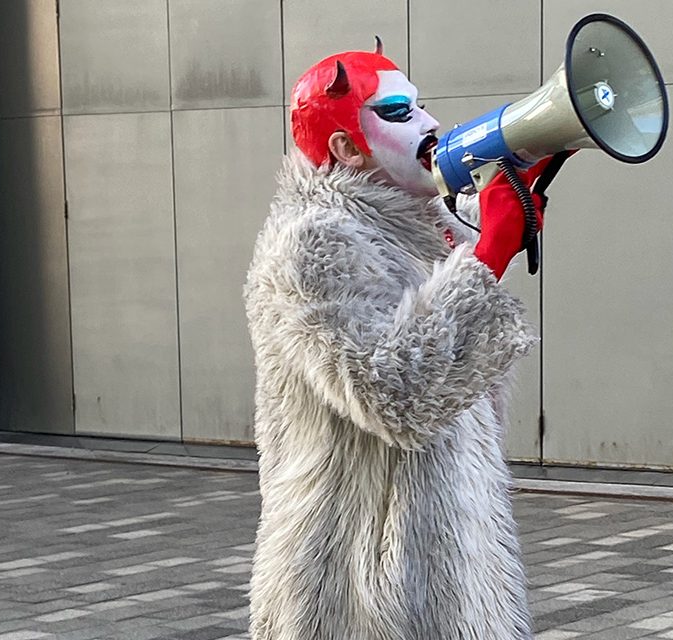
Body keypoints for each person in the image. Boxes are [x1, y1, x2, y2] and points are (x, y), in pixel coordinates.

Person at [244, 41, 561, 640]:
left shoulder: (413, 232)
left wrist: (495, 226)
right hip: (359, 585)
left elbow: (455, 370)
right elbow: (395, 394)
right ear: (345, 149)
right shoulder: (311, 244)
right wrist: (489, 253)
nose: (430, 124)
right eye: (398, 112)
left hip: (439, 564)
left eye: (420, 105)